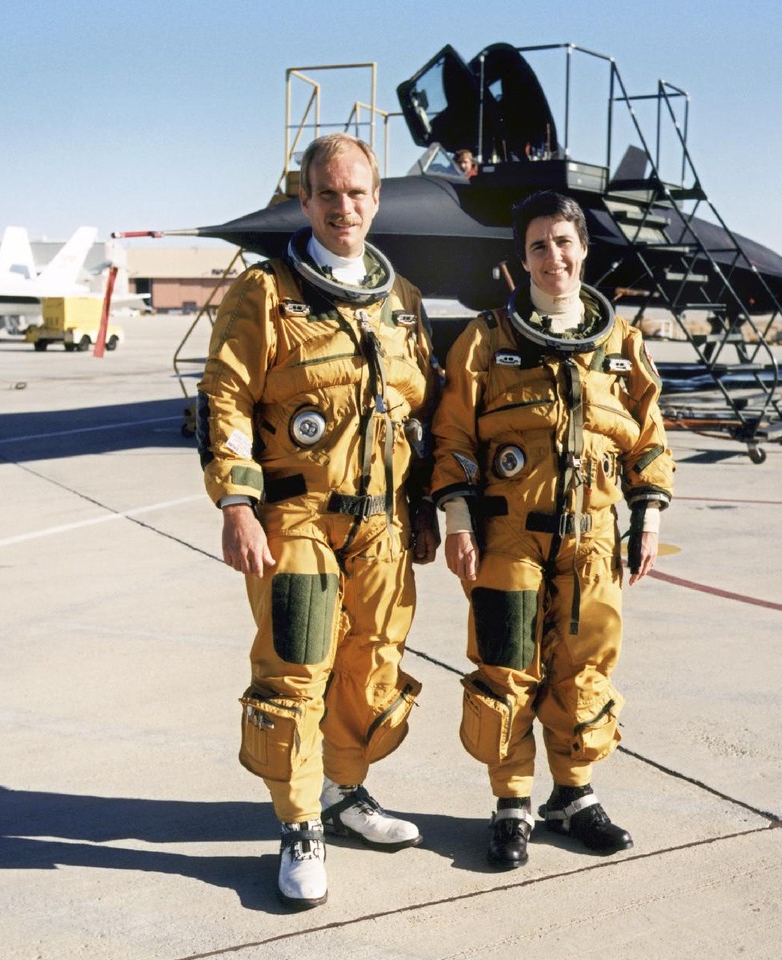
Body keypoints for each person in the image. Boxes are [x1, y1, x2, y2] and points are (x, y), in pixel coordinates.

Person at [196, 132, 440, 910]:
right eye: (328, 193)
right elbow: (225, 399)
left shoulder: (402, 301)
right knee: (297, 668)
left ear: (376, 200)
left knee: (371, 666)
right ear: (305, 200)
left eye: (356, 193)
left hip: (384, 525)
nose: (343, 207)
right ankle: (300, 824)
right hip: (296, 516)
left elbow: (420, 413)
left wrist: (426, 507)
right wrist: (236, 503)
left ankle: (343, 791)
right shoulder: (264, 294)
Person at [431, 190, 674, 870]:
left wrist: (647, 518)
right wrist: (458, 521)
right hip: (508, 537)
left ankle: (573, 795)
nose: (553, 257)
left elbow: (649, 440)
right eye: (538, 245)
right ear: (523, 257)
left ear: (584, 250)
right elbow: (452, 435)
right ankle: (512, 804)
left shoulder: (622, 345)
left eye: (564, 242)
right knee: (506, 670)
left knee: (584, 672)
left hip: (594, 538)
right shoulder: (487, 340)